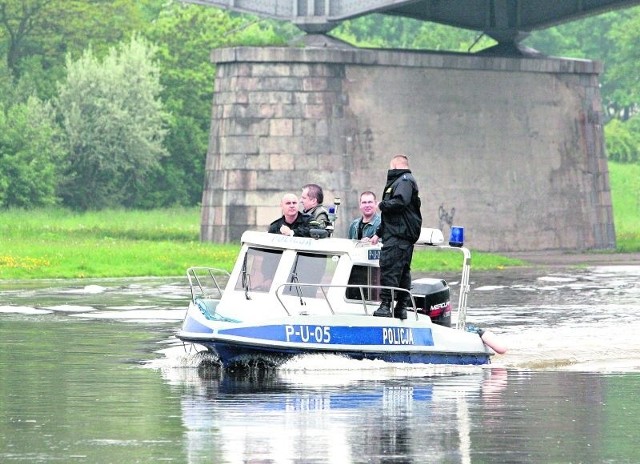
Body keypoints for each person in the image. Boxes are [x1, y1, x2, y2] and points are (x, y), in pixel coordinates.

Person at [371, 154, 422, 319]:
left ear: (395, 165)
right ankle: (400, 307)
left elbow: (400, 202)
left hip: (400, 235)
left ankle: (387, 306)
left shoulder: (404, 181)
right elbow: (391, 217)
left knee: (391, 268)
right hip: (396, 232)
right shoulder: (399, 181)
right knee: (399, 271)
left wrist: (381, 204)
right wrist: (378, 233)